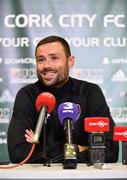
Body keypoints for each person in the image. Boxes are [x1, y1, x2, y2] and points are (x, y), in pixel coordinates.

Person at [7, 35, 119, 164]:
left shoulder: (90, 92)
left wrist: (40, 148)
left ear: (70, 61)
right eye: (41, 60)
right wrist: (79, 148)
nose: (46, 65)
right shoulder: (27, 95)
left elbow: (110, 151)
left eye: (54, 58)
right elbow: (18, 153)